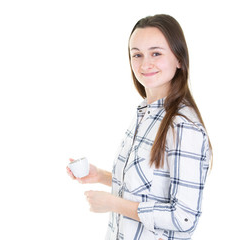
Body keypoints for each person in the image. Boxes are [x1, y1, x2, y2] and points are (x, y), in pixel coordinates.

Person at [66, 14, 212, 240]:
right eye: (137, 54)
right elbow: (153, 186)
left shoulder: (183, 126)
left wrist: (114, 204)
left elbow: (184, 218)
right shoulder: (147, 113)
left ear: (179, 59)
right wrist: (102, 176)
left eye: (156, 53)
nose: (145, 64)